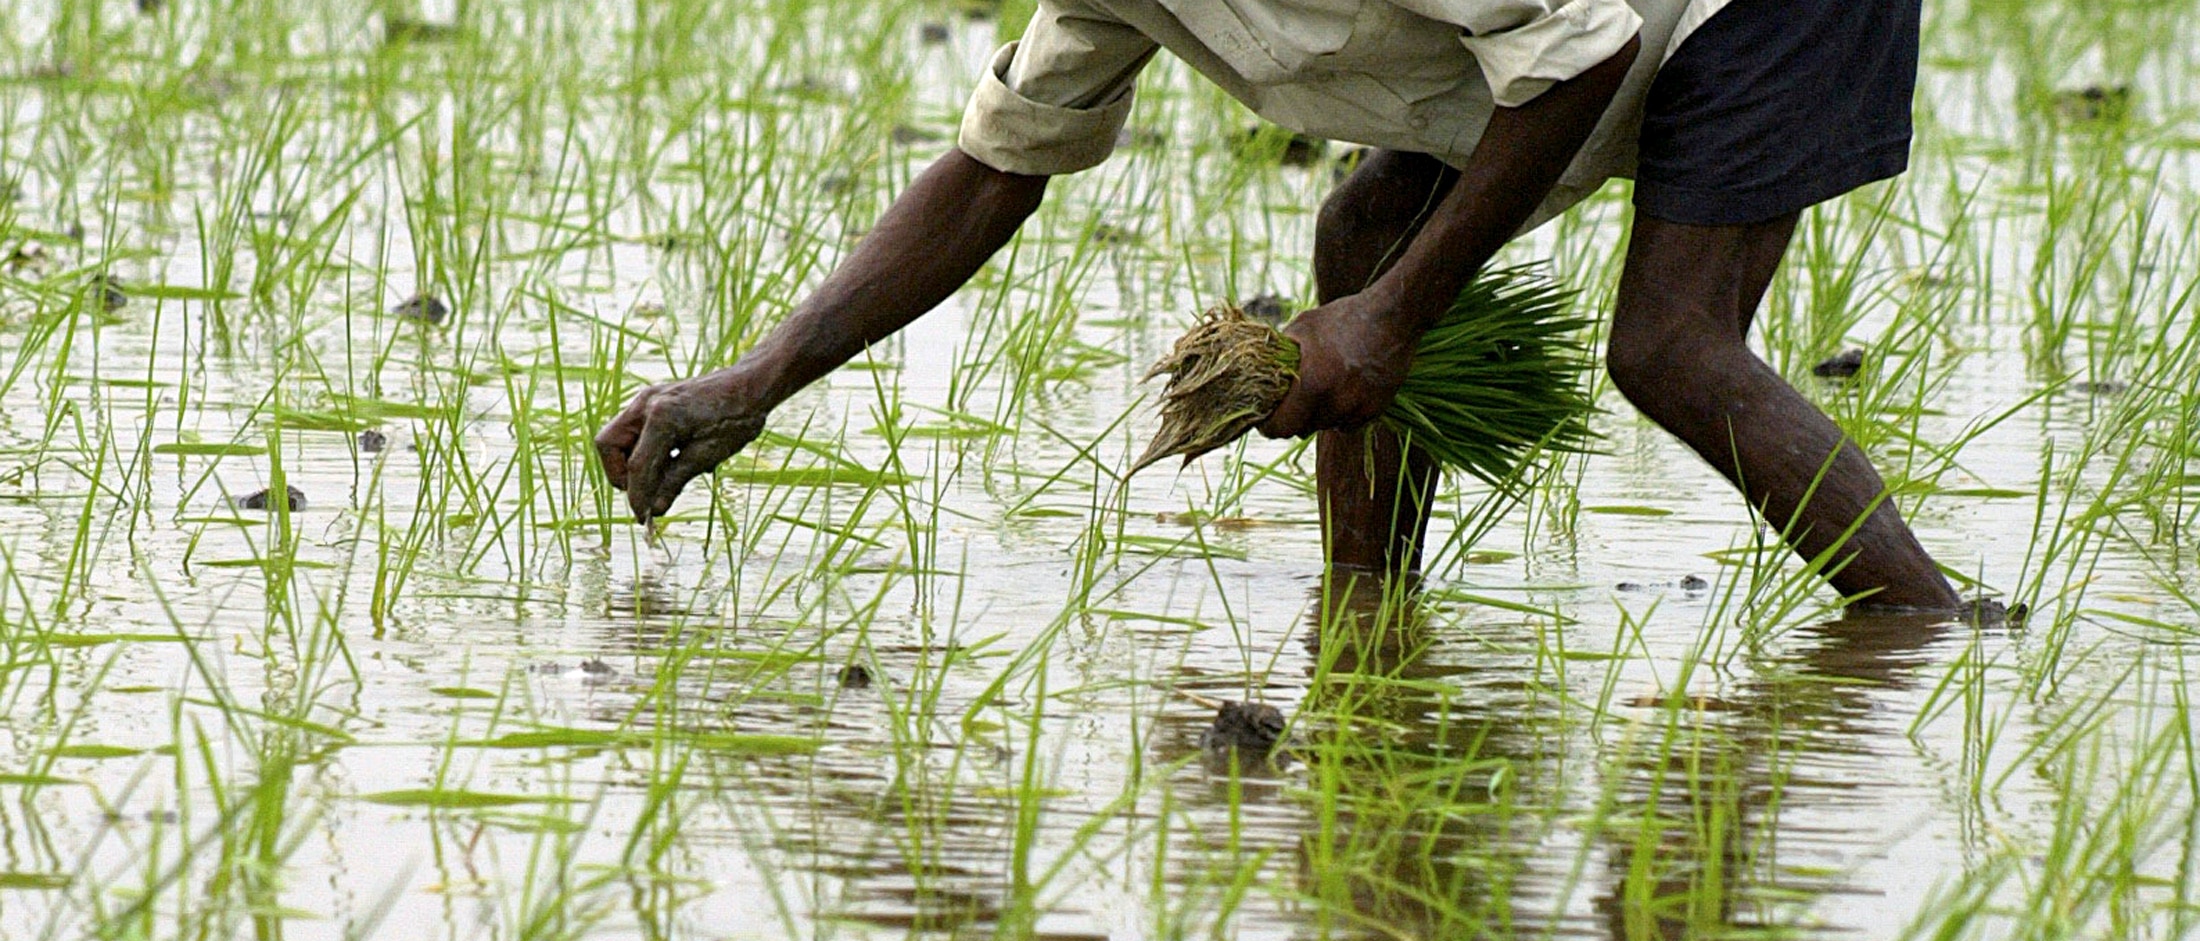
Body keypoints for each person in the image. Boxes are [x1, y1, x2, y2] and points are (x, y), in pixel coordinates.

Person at [595, 0, 1962, 610]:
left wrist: (1390, 320)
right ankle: (1369, 612)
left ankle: (1923, 624)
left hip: (1758, 13)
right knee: (1360, 223)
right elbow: (990, 170)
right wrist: (755, 381)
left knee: (1670, 345)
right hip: (1566, 41)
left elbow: (1579, 49)